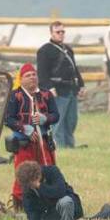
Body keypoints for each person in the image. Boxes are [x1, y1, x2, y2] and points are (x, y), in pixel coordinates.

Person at [5, 63, 59, 210]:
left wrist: (44, 118)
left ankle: (49, 199)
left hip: (43, 141)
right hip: (24, 142)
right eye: (28, 76)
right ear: (21, 79)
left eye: (34, 74)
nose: (32, 78)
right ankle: (21, 204)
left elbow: (56, 115)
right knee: (24, 172)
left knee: (48, 169)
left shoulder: (46, 94)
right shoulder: (15, 95)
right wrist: (25, 129)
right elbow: (8, 119)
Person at [37, 21, 85, 149]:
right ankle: (60, 145)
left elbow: (74, 68)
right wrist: (49, 88)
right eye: (58, 32)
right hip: (57, 90)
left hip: (71, 89)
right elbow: (42, 73)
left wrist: (81, 85)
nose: (61, 34)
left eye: (63, 32)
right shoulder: (44, 50)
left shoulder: (68, 49)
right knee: (58, 121)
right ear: (51, 33)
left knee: (71, 120)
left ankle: (70, 144)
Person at [15, 161, 82, 220]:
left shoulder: (52, 171)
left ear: (38, 176)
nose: (31, 186)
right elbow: (31, 209)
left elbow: (59, 192)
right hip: (51, 212)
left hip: (68, 206)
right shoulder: (27, 186)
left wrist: (40, 186)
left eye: (32, 184)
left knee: (65, 201)